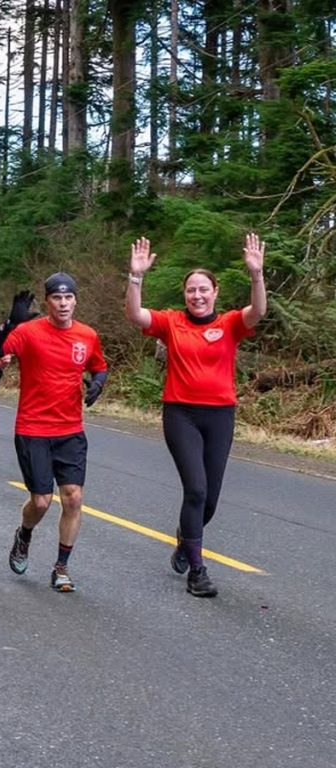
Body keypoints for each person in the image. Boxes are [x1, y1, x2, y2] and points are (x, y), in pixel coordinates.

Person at [125, 234, 267, 598]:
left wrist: (256, 275)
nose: (197, 296)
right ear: (184, 294)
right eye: (191, 290)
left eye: (204, 289)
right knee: (196, 489)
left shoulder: (231, 323)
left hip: (220, 416)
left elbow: (257, 312)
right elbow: (135, 315)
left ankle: (186, 540)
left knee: (210, 501)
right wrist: (136, 277)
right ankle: (198, 572)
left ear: (215, 292)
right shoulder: (172, 322)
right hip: (181, 414)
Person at [0, 272, 108, 592]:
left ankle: (61, 568)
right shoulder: (29, 332)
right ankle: (24, 534)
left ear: (76, 301)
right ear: (47, 302)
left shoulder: (87, 335)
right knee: (42, 502)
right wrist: (10, 323)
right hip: (33, 428)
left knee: (73, 498)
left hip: (70, 430)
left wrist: (98, 383)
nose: (63, 303)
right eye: (57, 298)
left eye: (68, 297)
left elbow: (99, 366)